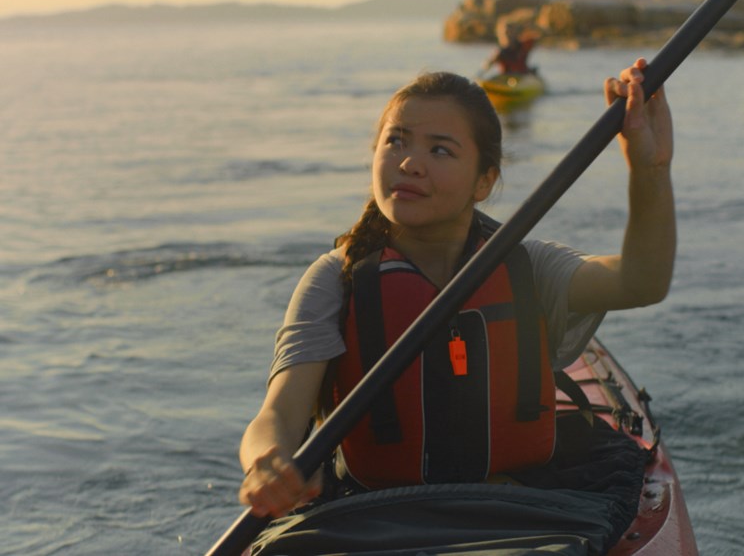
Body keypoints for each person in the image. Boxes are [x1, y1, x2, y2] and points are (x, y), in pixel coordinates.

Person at [238, 58, 675, 526]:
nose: (409, 163)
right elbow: (279, 415)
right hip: (378, 514)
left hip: (523, 506)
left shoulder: (528, 266)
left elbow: (641, 281)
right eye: (395, 141)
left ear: (484, 181)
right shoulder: (334, 280)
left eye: (441, 151)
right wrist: (267, 459)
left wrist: (649, 169)